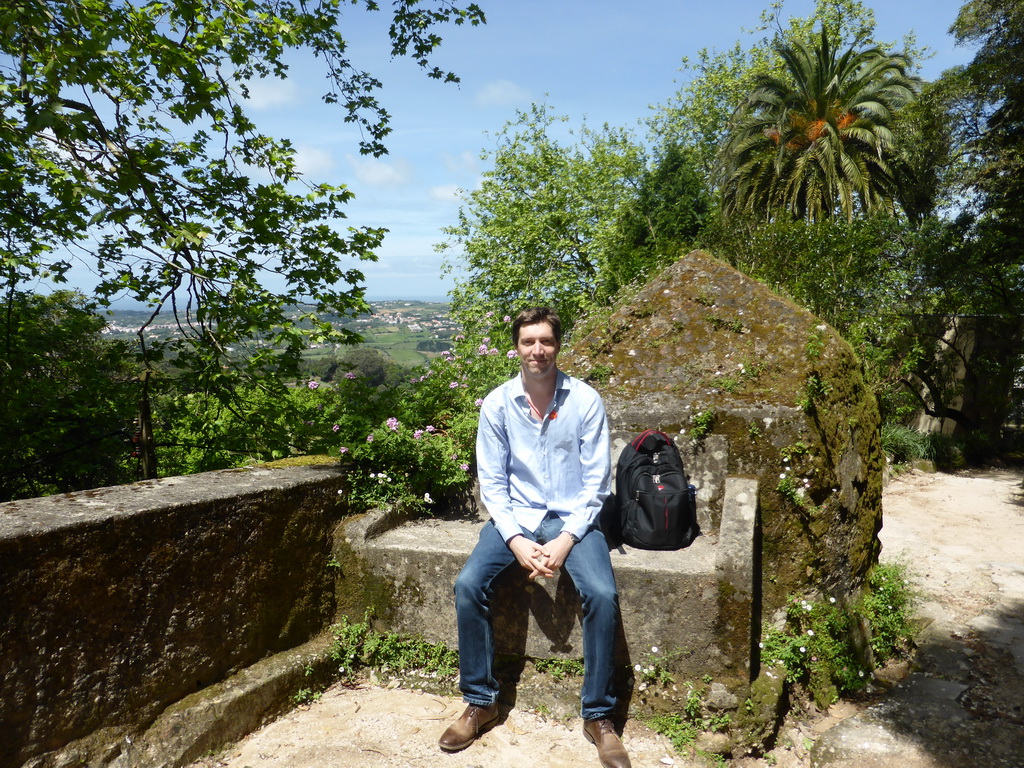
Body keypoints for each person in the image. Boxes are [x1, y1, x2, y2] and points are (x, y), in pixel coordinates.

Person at [438, 307, 631, 768]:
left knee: (602, 593)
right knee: (468, 584)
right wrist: (514, 540)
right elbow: (493, 481)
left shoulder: (585, 400)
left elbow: (596, 483)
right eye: (529, 342)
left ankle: (599, 717)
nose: (537, 351)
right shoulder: (499, 404)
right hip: (516, 519)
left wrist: (566, 539)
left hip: (574, 520)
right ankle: (481, 701)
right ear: (517, 346)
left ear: (557, 345)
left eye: (545, 341)